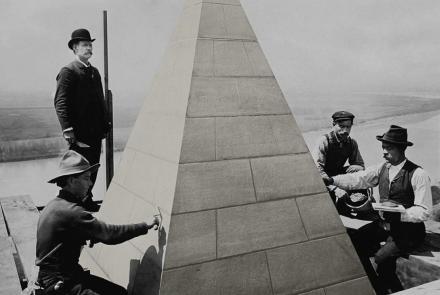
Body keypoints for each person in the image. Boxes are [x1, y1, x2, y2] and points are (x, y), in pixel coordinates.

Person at [323, 125, 432, 294]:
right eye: (383, 147)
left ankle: (386, 289)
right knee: (353, 242)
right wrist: (332, 180)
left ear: (401, 149)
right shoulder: (382, 168)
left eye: (389, 148)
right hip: (384, 226)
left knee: (382, 258)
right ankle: (373, 285)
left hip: (408, 232)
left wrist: (399, 213)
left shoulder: (418, 174)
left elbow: (424, 211)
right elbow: (358, 179)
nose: (384, 152)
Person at [36, 150, 160, 295]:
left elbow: (64, 238)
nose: (90, 183)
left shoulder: (54, 205)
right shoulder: (71, 211)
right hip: (61, 283)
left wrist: (86, 236)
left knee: (118, 293)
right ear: (71, 180)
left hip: (60, 276)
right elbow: (110, 234)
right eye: (87, 178)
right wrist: (145, 225)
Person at [54, 28, 110, 211]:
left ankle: (86, 200)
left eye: (90, 45)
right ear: (75, 48)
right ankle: (70, 207)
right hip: (79, 134)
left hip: (95, 133)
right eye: (85, 45)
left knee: (93, 168)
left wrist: (105, 123)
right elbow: (60, 102)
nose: (89, 48)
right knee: (77, 171)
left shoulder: (94, 72)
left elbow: (101, 101)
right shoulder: (68, 71)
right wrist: (67, 129)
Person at [313, 111, 365, 203]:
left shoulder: (351, 143)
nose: (345, 130)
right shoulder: (324, 141)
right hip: (323, 178)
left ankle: (352, 203)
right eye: (341, 126)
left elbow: (360, 164)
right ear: (333, 125)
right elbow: (317, 170)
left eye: (348, 127)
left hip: (337, 175)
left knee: (358, 170)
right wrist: (335, 188)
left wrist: (358, 167)